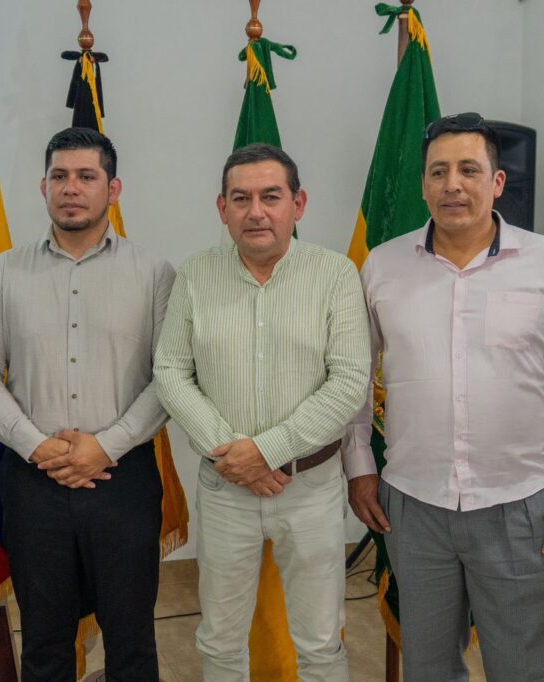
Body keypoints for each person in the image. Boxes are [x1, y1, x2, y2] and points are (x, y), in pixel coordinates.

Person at [343, 112, 544, 681]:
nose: (452, 185)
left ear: (498, 181)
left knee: (523, 668)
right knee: (428, 667)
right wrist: (360, 466)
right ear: (423, 184)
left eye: (469, 169)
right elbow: (354, 376)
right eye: (438, 172)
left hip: (517, 506)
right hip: (413, 505)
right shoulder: (383, 266)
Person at [154, 143, 370, 681]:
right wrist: (236, 457)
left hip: (311, 488)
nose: (256, 212)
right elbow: (171, 372)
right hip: (225, 488)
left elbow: (349, 383)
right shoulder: (195, 275)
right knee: (220, 641)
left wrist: (266, 451)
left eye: (271, 197)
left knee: (321, 643)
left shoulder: (336, 275)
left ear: (298, 203)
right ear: (222, 208)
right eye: (241, 198)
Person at [0, 127, 173, 681]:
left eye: (87, 176)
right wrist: (37, 447)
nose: (71, 188)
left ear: (113, 189)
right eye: (59, 176)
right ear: (44, 187)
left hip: (123, 477)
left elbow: (170, 377)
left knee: (131, 640)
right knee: (44, 641)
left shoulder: (155, 274)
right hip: (33, 480)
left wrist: (106, 446)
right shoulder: (4, 272)